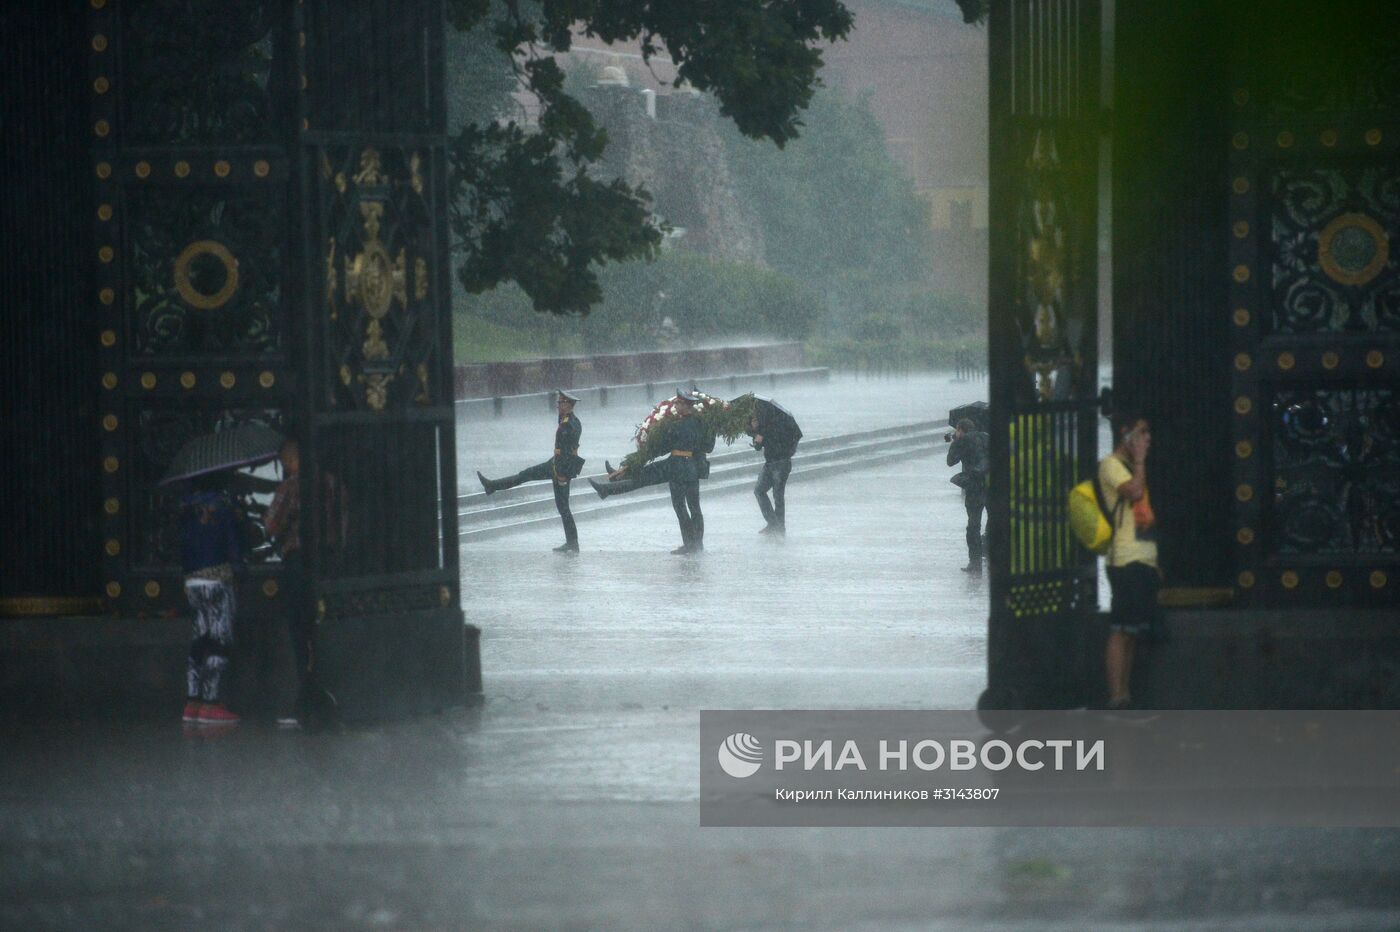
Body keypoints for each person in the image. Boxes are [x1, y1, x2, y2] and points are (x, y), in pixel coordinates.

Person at [264, 437, 346, 727]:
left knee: (300, 630)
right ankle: (329, 688)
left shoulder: (290, 487)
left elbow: (271, 525)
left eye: (285, 463)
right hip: (327, 564)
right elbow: (342, 519)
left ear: (289, 461)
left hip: (298, 564)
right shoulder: (331, 483)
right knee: (321, 627)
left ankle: (307, 694)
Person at [1099, 409, 1159, 710]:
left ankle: (1125, 694)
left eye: (1148, 432)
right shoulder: (1112, 465)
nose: (1147, 439)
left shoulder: (1131, 466)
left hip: (1143, 556)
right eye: (1141, 432)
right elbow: (1134, 492)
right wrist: (1139, 460)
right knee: (1121, 627)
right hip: (1124, 558)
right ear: (1125, 434)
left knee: (1132, 630)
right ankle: (1116, 695)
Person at [478, 390, 585, 552]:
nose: (557, 406)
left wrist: (562, 475)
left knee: (562, 505)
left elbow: (568, 450)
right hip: (557, 464)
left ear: (567, 404)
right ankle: (492, 485)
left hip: (559, 468)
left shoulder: (568, 425)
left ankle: (573, 543)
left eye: (560, 403)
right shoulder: (572, 421)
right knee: (528, 478)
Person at [179, 475, 244, 725]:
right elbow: (233, 545)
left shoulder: (185, 509)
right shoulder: (223, 508)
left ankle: (192, 701)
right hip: (217, 579)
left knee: (199, 639)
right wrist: (239, 571)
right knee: (219, 639)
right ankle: (211, 702)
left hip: (193, 581)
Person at [748, 400, 802, 535]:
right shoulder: (764, 425)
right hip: (770, 463)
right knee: (759, 490)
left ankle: (779, 527)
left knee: (778, 495)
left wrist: (763, 437)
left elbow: (780, 443)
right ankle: (773, 523)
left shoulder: (782, 424)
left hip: (781, 462)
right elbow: (759, 446)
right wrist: (756, 433)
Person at [946, 417, 989, 574]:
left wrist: (954, 442)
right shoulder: (986, 436)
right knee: (994, 520)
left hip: (975, 486)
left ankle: (975, 562)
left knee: (973, 525)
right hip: (992, 485)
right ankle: (991, 549)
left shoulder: (962, 440)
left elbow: (951, 461)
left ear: (960, 430)